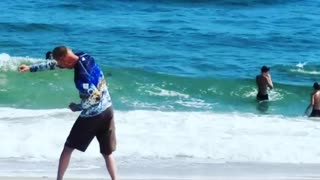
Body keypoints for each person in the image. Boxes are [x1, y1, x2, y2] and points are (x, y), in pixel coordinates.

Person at [19, 46, 117, 180]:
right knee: (107, 152)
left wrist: (78, 107)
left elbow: (95, 97)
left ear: (65, 59)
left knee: (68, 148)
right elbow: (56, 64)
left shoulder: (82, 76)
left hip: (93, 116)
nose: (59, 66)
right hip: (108, 110)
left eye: (60, 63)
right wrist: (31, 68)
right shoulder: (84, 57)